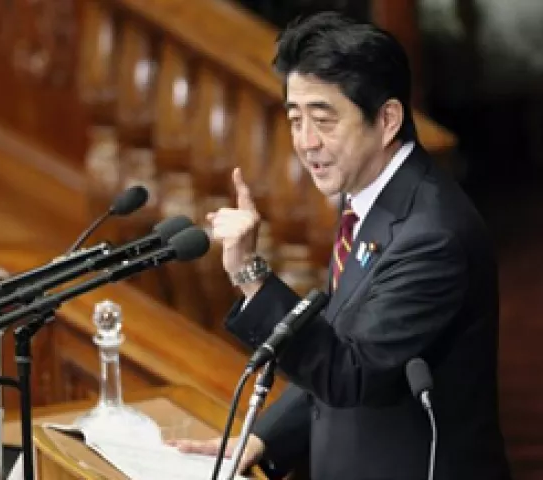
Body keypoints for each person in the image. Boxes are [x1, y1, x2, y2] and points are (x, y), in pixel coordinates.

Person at [167, 11, 512, 480]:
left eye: (324, 120)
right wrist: (263, 436)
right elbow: (342, 330)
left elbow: (351, 369)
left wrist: (250, 271)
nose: (306, 143)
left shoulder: (432, 236)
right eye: (295, 119)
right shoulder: (368, 196)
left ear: (387, 119)